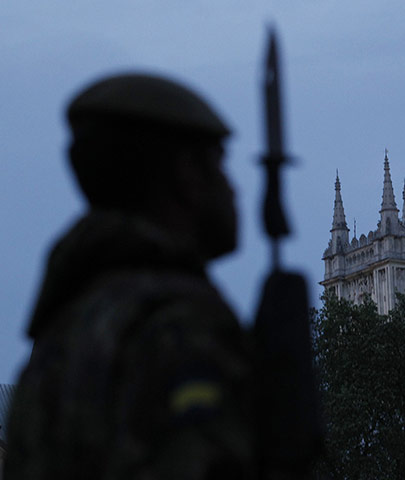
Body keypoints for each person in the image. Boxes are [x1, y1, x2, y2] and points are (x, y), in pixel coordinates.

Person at [3, 73, 258, 479]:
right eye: (218, 163)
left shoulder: (55, 343)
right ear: (186, 175)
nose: (233, 188)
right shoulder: (180, 324)